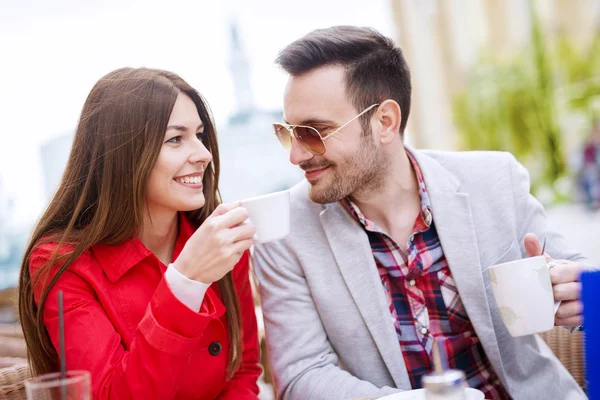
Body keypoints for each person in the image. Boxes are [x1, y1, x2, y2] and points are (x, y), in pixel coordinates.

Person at [253, 26, 591, 400]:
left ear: (385, 122)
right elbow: (301, 375)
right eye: (287, 132)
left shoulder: (493, 180)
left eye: (314, 132)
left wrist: (582, 292)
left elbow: (578, 278)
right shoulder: (285, 233)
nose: (295, 155)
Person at [18, 67, 261, 399]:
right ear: (124, 155)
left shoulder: (220, 240)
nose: (203, 155)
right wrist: (184, 282)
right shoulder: (62, 262)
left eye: (200, 135)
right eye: (176, 139)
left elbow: (243, 371)